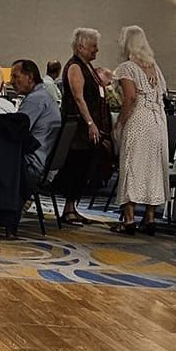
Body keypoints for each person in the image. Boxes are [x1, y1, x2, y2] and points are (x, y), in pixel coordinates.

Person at [114, 24, 170, 235]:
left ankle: (129, 220)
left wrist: (120, 122)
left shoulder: (126, 68)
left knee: (131, 165)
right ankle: (150, 218)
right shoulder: (154, 67)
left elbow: (130, 97)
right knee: (152, 168)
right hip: (158, 122)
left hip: (139, 119)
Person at [56, 25, 113, 226]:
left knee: (84, 167)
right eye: (93, 46)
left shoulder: (88, 66)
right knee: (76, 166)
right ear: (81, 47)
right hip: (78, 129)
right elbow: (78, 98)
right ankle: (68, 209)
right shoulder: (75, 66)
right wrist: (90, 123)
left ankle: (73, 207)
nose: (97, 50)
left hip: (89, 127)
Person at [9, 58, 59, 197]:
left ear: (30, 77)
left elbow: (15, 132)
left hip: (32, 165)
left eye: (15, 76)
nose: (11, 81)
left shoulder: (35, 100)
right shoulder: (45, 96)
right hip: (46, 163)